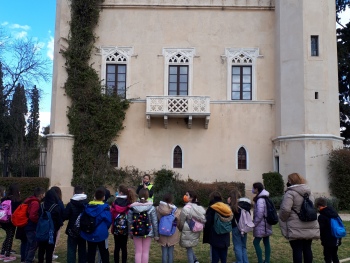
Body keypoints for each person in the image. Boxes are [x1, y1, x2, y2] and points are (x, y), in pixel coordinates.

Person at [279, 173, 319, 263]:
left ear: (292, 181)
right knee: (307, 248)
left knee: (297, 249)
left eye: (289, 180)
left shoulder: (290, 193)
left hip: (295, 225)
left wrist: (283, 218)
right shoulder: (309, 192)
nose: (287, 182)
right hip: (309, 223)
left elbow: (285, 209)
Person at [81, 187, 111, 263]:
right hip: (101, 233)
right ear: (104, 197)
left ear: (94, 195)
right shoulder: (105, 208)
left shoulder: (88, 206)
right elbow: (109, 221)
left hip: (90, 233)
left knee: (91, 252)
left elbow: (82, 217)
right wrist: (105, 228)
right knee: (104, 252)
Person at [128, 188, 159, 263]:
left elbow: (129, 221)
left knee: (138, 252)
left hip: (136, 232)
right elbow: (154, 222)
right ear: (148, 196)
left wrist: (130, 233)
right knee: (145, 252)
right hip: (148, 232)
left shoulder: (132, 207)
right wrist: (156, 235)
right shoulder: (151, 207)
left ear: (138, 196)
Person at [62, 185, 89, 263]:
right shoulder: (87, 204)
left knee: (71, 250)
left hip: (72, 230)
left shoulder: (70, 204)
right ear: (83, 193)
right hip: (83, 229)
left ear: (74, 193)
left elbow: (65, 216)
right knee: (82, 249)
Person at [203, 192, 232, 263]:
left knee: (215, 257)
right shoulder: (227, 207)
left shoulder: (212, 208)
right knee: (223, 257)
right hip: (226, 235)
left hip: (215, 235)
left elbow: (208, 223)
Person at [178, 191, 206, 263]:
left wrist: (180, 228)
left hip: (188, 230)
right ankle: (195, 260)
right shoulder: (198, 207)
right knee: (189, 247)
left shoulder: (186, 208)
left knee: (188, 248)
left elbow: (182, 221)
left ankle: (193, 261)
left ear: (191, 198)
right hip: (196, 229)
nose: (185, 196)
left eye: (187, 195)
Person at [38, 188, 63, 263]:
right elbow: (59, 222)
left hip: (41, 231)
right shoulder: (56, 207)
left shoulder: (41, 206)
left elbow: (38, 217)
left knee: (41, 250)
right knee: (49, 251)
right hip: (51, 232)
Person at [111, 185, 135, 263]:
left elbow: (111, 216)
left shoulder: (115, 203)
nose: (116, 193)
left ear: (120, 193)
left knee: (116, 247)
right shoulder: (129, 203)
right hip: (125, 228)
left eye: (117, 191)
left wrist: (112, 227)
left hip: (116, 228)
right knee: (124, 247)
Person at [315, 197, 342, 263]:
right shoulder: (334, 212)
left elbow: (321, 228)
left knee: (327, 256)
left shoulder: (322, 216)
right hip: (337, 237)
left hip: (327, 239)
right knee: (334, 255)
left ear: (319, 206)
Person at [227, 190, 251, 263]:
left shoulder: (233, 207)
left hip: (236, 227)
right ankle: (245, 261)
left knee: (237, 246)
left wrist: (228, 203)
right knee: (243, 246)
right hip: (244, 227)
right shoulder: (245, 205)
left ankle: (240, 261)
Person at [156, 193, 181, 263]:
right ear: (171, 201)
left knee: (164, 253)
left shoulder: (158, 209)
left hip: (162, 232)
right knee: (170, 254)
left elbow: (156, 221)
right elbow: (178, 220)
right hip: (172, 233)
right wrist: (178, 227)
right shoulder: (174, 209)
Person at [0, 184, 21, 262]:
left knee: (7, 236)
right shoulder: (16, 201)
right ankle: (7, 256)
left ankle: (2, 254)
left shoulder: (4, 199)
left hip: (3, 220)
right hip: (11, 221)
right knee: (10, 237)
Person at [24, 187, 45, 263]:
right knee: (33, 245)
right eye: (43, 194)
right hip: (32, 227)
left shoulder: (31, 201)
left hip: (28, 226)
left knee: (29, 245)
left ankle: (26, 259)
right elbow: (33, 216)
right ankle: (28, 260)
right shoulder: (35, 203)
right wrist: (38, 222)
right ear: (40, 195)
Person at [252, 182, 272, 263]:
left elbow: (260, 214)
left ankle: (260, 261)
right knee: (266, 242)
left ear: (257, 189)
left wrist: (254, 223)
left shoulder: (260, 199)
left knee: (256, 242)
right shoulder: (265, 197)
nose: (253, 190)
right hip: (266, 224)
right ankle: (267, 261)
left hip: (261, 225)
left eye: (253, 188)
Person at [51, 187, 64, 261]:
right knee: (55, 239)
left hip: (48, 223)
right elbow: (63, 212)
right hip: (57, 224)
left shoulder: (48, 202)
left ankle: (48, 253)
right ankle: (51, 254)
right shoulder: (59, 202)